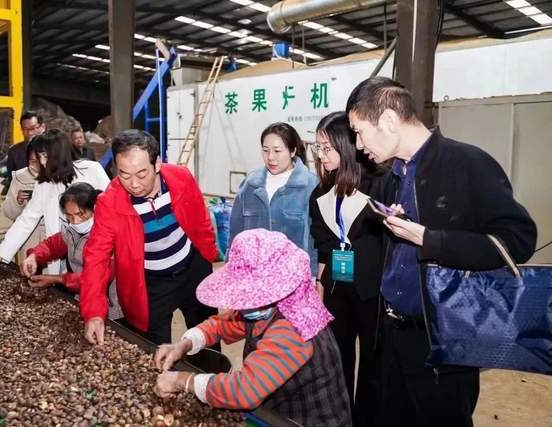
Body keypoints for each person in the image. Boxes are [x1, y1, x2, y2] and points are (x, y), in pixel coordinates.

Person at [345, 76, 537, 427]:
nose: (357, 145)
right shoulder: (391, 177)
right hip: (388, 337)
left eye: (359, 131)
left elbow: (518, 239)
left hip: (442, 344)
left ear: (388, 120)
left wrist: (431, 240)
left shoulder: (468, 163)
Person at [153, 229, 352, 426]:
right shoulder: (270, 306)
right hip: (279, 409)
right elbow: (221, 325)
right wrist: (184, 344)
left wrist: (182, 380)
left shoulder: (293, 328)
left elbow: (244, 391)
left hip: (307, 420)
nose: (242, 305)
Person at [80, 129, 218, 346]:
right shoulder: (109, 203)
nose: (134, 184)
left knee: (206, 339)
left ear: (158, 164)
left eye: (142, 174)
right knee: (156, 351)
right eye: (124, 175)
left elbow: (201, 219)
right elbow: (96, 257)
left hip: (193, 270)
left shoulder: (181, 178)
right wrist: (94, 312)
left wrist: (208, 254)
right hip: (151, 284)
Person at [309, 111, 386, 427]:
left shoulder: (380, 187)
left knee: (373, 365)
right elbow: (324, 245)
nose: (321, 155)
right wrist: (319, 285)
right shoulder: (319, 194)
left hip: (373, 292)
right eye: (317, 148)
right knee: (336, 360)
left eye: (327, 148)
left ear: (348, 145)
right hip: (337, 290)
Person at [0, 128, 110, 273]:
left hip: (99, 251)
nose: (42, 162)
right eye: (39, 156)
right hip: (62, 255)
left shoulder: (92, 170)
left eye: (45, 156)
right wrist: (0, 254)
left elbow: (112, 211)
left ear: (59, 154)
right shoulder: (44, 185)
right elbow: (26, 220)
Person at [20, 183, 123, 320]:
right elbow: (52, 245)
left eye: (80, 214)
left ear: (94, 209)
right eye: (69, 215)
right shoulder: (71, 230)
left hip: (111, 307)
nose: (75, 221)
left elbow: (95, 277)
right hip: (82, 298)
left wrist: (56, 279)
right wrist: (34, 256)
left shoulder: (108, 236)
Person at [229, 122, 318, 274]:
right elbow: (235, 234)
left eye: (277, 151)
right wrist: (231, 269)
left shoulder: (310, 185)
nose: (270, 157)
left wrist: (315, 276)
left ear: (292, 151)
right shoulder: (250, 185)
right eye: (265, 150)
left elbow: (315, 240)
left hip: (293, 276)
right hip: (254, 276)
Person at [1, 140, 46, 266]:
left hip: (51, 237)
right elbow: (9, 213)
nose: (38, 165)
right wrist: (18, 201)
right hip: (28, 238)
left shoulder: (57, 176)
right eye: (33, 161)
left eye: (40, 160)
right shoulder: (21, 176)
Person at [6, 111, 45, 187]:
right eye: (25, 129)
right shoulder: (14, 151)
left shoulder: (53, 148)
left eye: (33, 128)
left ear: (42, 127)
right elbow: (12, 180)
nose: (30, 133)